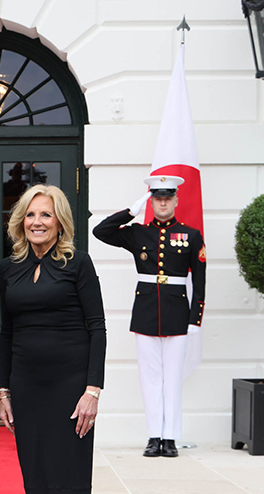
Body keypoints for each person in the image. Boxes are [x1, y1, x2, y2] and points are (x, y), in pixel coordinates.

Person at [0, 184, 106, 494]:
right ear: (20, 222)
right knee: (37, 486)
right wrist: (3, 390)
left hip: (71, 389)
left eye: (45, 214)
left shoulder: (78, 264)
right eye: (30, 215)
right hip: (27, 388)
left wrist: (92, 391)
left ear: (60, 221)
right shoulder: (9, 268)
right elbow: (6, 332)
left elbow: (97, 327)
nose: (37, 222)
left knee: (75, 487)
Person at [93, 175, 206, 458]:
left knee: (173, 379)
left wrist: (195, 318)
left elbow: (200, 280)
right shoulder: (137, 233)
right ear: (151, 201)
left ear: (176, 200)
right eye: (157, 198)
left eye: (167, 198)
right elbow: (100, 231)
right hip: (146, 313)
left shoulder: (191, 235)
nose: (163, 203)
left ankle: (171, 438)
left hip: (178, 314)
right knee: (150, 379)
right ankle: (154, 437)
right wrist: (131, 211)